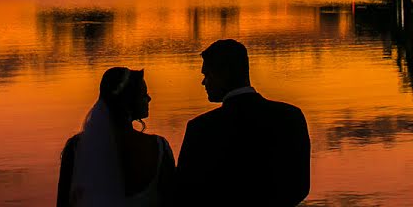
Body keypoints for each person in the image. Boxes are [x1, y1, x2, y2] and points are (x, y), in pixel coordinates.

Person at [177, 39, 310, 206]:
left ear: (224, 74)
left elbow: (185, 191)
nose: (203, 82)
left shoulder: (201, 128)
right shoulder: (291, 116)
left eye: (207, 75)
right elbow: (301, 187)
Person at [57, 67, 175, 207]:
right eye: (143, 94)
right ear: (127, 101)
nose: (149, 98)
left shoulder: (76, 148)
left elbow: (63, 202)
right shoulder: (158, 147)